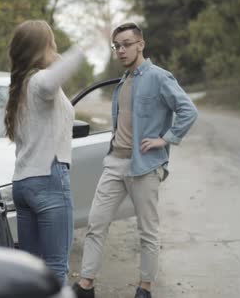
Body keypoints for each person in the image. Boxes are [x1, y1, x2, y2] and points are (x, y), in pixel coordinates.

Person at [72, 22, 198, 298]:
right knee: (96, 223)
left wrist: (166, 139)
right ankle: (86, 285)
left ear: (141, 44)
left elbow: (189, 111)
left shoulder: (159, 77)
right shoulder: (123, 82)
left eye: (127, 44)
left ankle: (145, 288)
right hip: (114, 162)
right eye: (117, 46)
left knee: (147, 230)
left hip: (145, 166)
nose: (121, 50)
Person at [5, 19, 87, 285]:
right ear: (42, 48)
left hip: (23, 185)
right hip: (48, 181)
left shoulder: (22, 86)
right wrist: (86, 46)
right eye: (52, 43)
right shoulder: (41, 82)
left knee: (32, 270)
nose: (56, 48)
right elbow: (53, 80)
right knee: (55, 269)